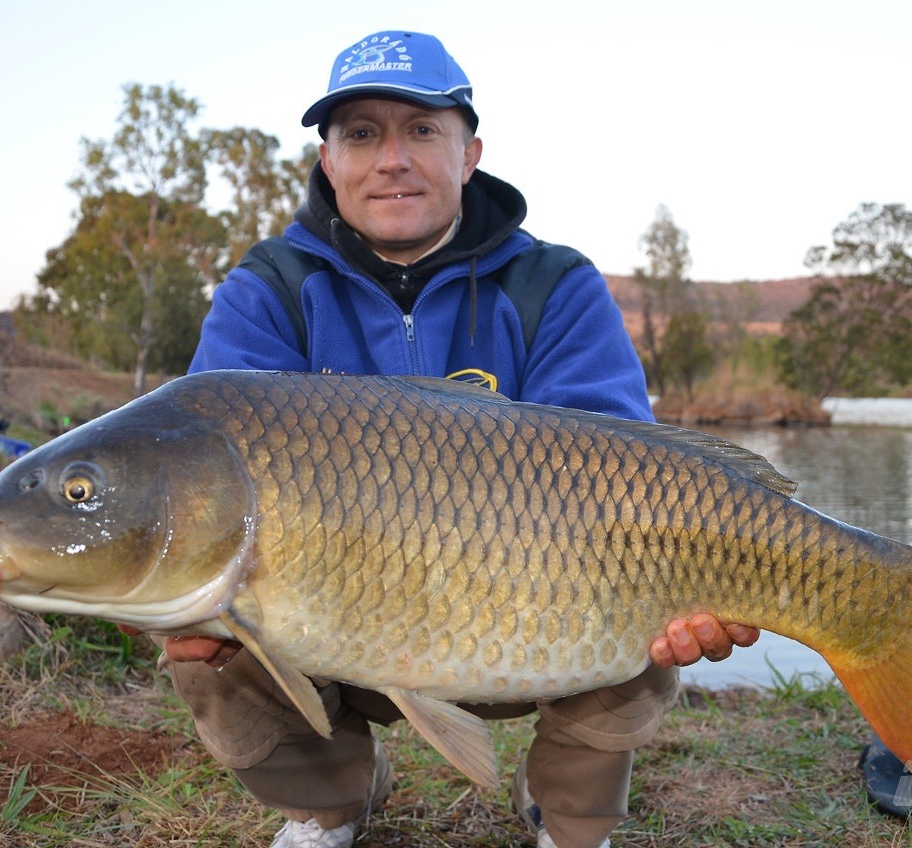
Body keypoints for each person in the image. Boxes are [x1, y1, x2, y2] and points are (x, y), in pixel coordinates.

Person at [159, 30, 758, 848]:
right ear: (329, 162)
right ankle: (332, 800)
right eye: (361, 134)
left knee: (645, 593)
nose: (391, 158)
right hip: (329, 622)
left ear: (469, 153)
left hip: (529, 625)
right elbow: (206, 461)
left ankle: (569, 814)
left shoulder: (556, 285)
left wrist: (709, 575)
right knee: (202, 630)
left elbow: (631, 472)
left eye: (421, 130)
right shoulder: (269, 291)